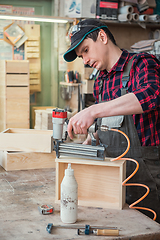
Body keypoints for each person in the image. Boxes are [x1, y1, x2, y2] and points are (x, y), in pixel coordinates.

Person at [63, 18, 160, 223]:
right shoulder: (101, 81)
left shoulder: (142, 63)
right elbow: (110, 124)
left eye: (86, 50)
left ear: (102, 37)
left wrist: (93, 111)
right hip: (115, 178)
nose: (86, 60)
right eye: (81, 56)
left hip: (149, 177)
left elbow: (152, 94)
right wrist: (92, 141)